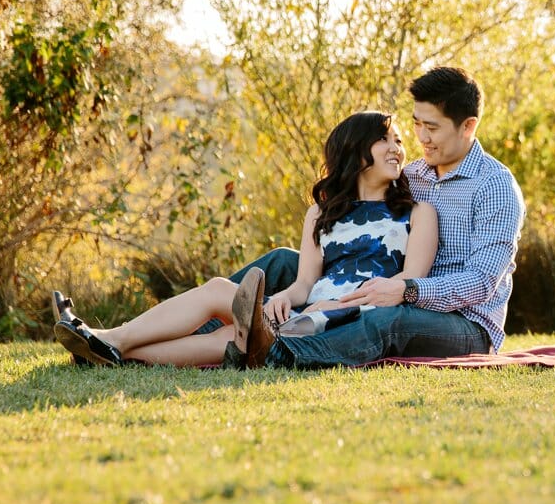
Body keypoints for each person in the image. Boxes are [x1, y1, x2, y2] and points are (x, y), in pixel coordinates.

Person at [51, 111, 438, 368]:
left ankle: (108, 343)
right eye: (385, 140)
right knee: (224, 311)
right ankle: (111, 347)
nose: (398, 149)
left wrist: (336, 303)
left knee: (229, 330)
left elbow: (406, 287)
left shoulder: (417, 214)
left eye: (398, 140)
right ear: (355, 153)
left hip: (349, 320)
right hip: (309, 308)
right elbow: (305, 282)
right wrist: (286, 297)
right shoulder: (321, 214)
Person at [225, 65, 525, 368]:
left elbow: (483, 281)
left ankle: (279, 353)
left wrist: (408, 290)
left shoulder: (494, 186)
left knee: (388, 319)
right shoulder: (411, 175)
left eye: (432, 128)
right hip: (393, 284)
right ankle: (205, 322)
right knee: (282, 261)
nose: (422, 137)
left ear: (468, 127)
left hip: (460, 323)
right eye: (417, 124)